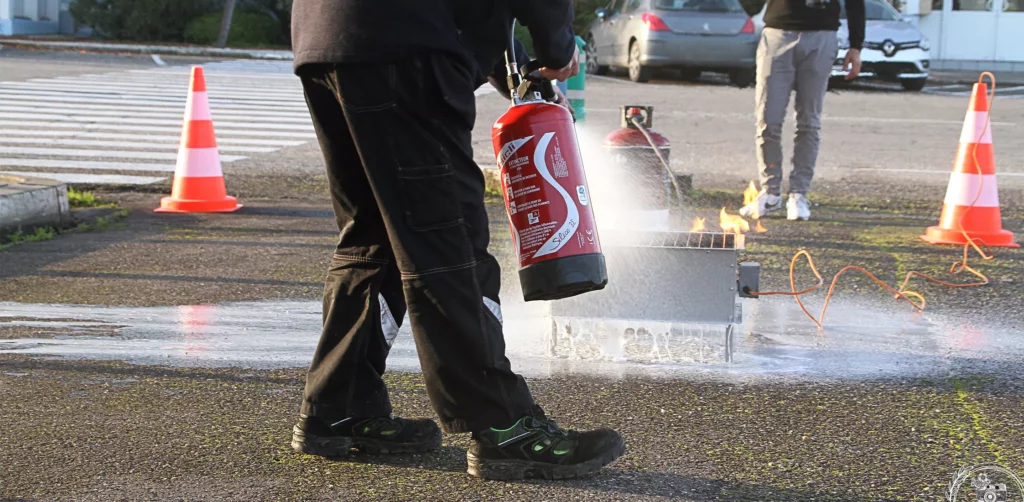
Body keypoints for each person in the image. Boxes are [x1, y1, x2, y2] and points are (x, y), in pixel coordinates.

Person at [288, 0, 625, 480]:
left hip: (327, 37)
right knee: (449, 244)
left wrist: (515, 63)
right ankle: (503, 425)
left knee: (374, 235)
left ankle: (339, 405)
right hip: (406, 47)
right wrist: (557, 44)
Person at [740, 0, 865, 221]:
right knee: (768, 119)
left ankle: (798, 194)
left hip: (821, 34)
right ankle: (770, 192)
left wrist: (856, 46)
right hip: (777, 33)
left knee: (809, 122)